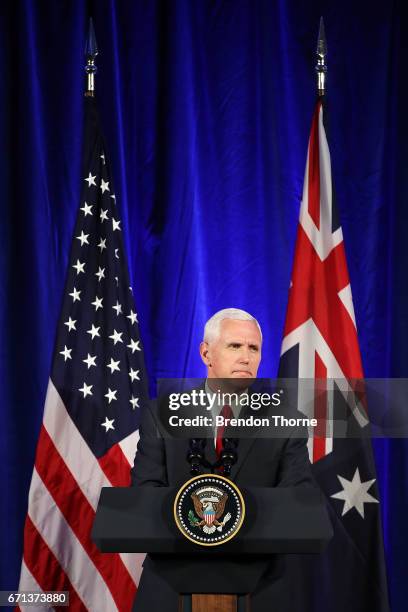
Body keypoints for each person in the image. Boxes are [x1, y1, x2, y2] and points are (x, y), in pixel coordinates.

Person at [131, 308, 316, 611]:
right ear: (206, 353)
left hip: (261, 587)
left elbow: (298, 501)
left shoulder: (287, 421)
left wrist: (233, 518)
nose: (246, 357)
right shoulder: (161, 415)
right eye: (235, 346)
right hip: (171, 584)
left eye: (253, 348)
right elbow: (145, 495)